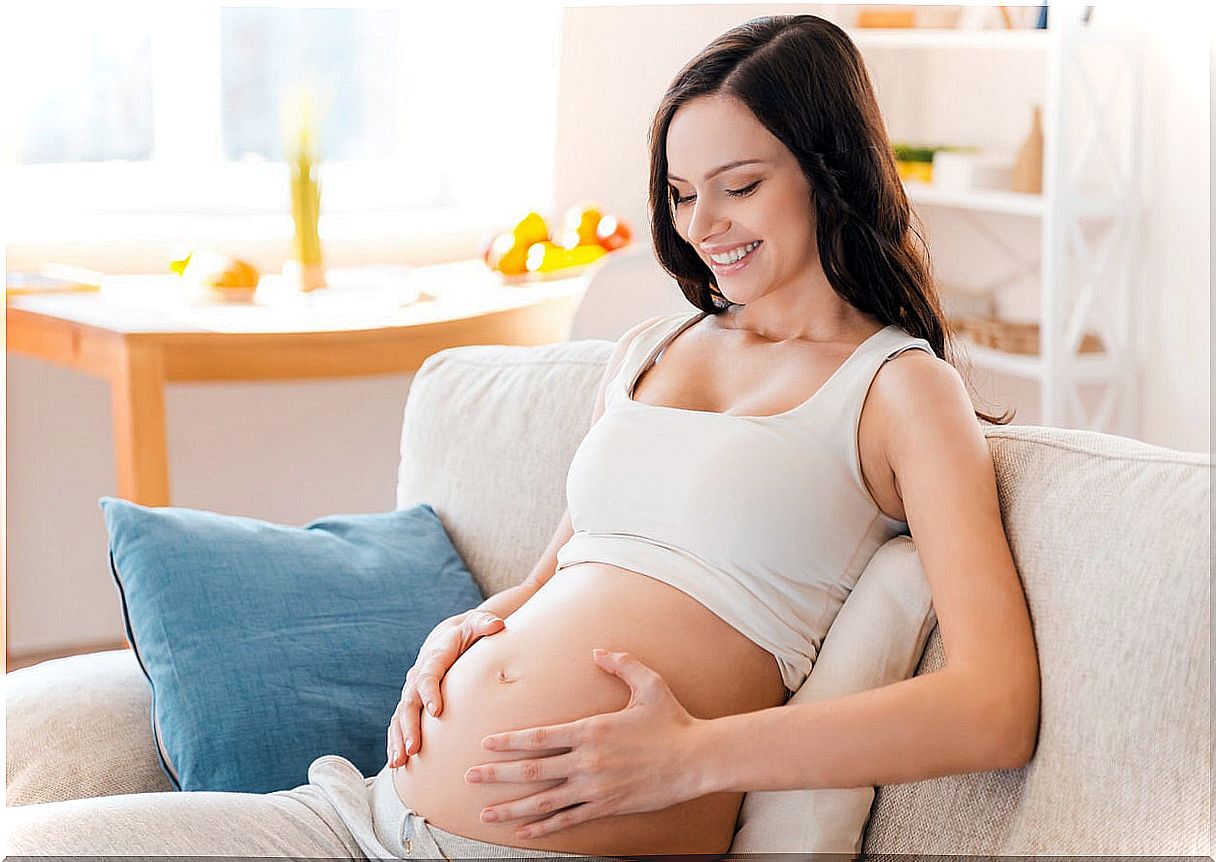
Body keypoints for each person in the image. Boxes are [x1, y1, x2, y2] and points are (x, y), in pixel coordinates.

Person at [6, 13, 1040, 860]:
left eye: (740, 184)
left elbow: (995, 705)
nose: (704, 225)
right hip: (360, 815)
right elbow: (570, 562)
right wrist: (471, 629)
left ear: (827, 169)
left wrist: (695, 757)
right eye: (681, 194)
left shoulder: (901, 391)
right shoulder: (652, 345)